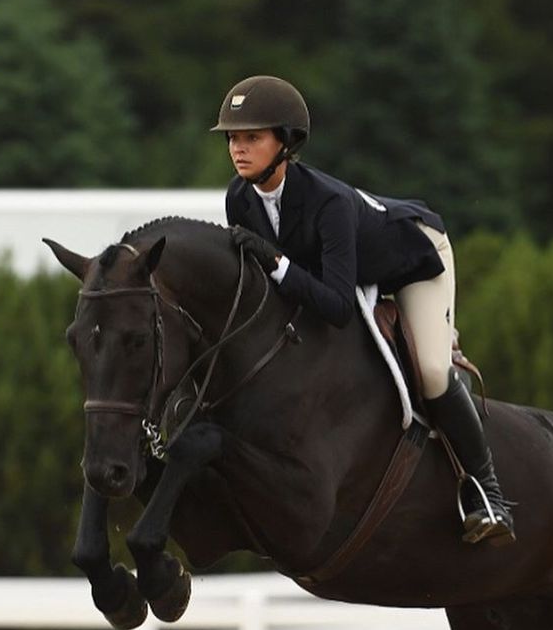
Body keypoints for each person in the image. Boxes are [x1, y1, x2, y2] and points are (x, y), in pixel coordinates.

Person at [211, 74, 515, 546]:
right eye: (233, 138)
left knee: (433, 371)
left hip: (413, 258)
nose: (238, 149)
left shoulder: (327, 201)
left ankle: (486, 492)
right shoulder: (238, 198)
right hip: (350, 268)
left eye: (252, 137)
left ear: (286, 142)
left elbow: (333, 306)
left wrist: (274, 260)